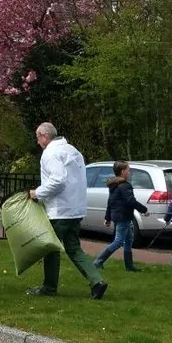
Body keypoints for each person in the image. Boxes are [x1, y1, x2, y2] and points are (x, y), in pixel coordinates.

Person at [28, 122, 108, 299]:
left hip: (59, 210)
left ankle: (49, 287)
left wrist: (37, 193)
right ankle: (96, 280)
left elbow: (58, 181)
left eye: (38, 138)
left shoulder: (50, 153)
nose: (37, 142)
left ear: (44, 136)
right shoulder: (73, 151)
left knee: (51, 249)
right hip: (76, 209)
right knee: (73, 248)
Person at [92, 161, 149, 272]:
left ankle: (129, 267)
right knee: (118, 242)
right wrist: (144, 209)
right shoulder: (125, 186)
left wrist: (107, 217)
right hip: (123, 216)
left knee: (128, 240)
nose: (129, 172)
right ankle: (97, 262)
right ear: (123, 172)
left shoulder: (114, 185)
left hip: (120, 216)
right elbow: (131, 201)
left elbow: (110, 202)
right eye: (128, 170)